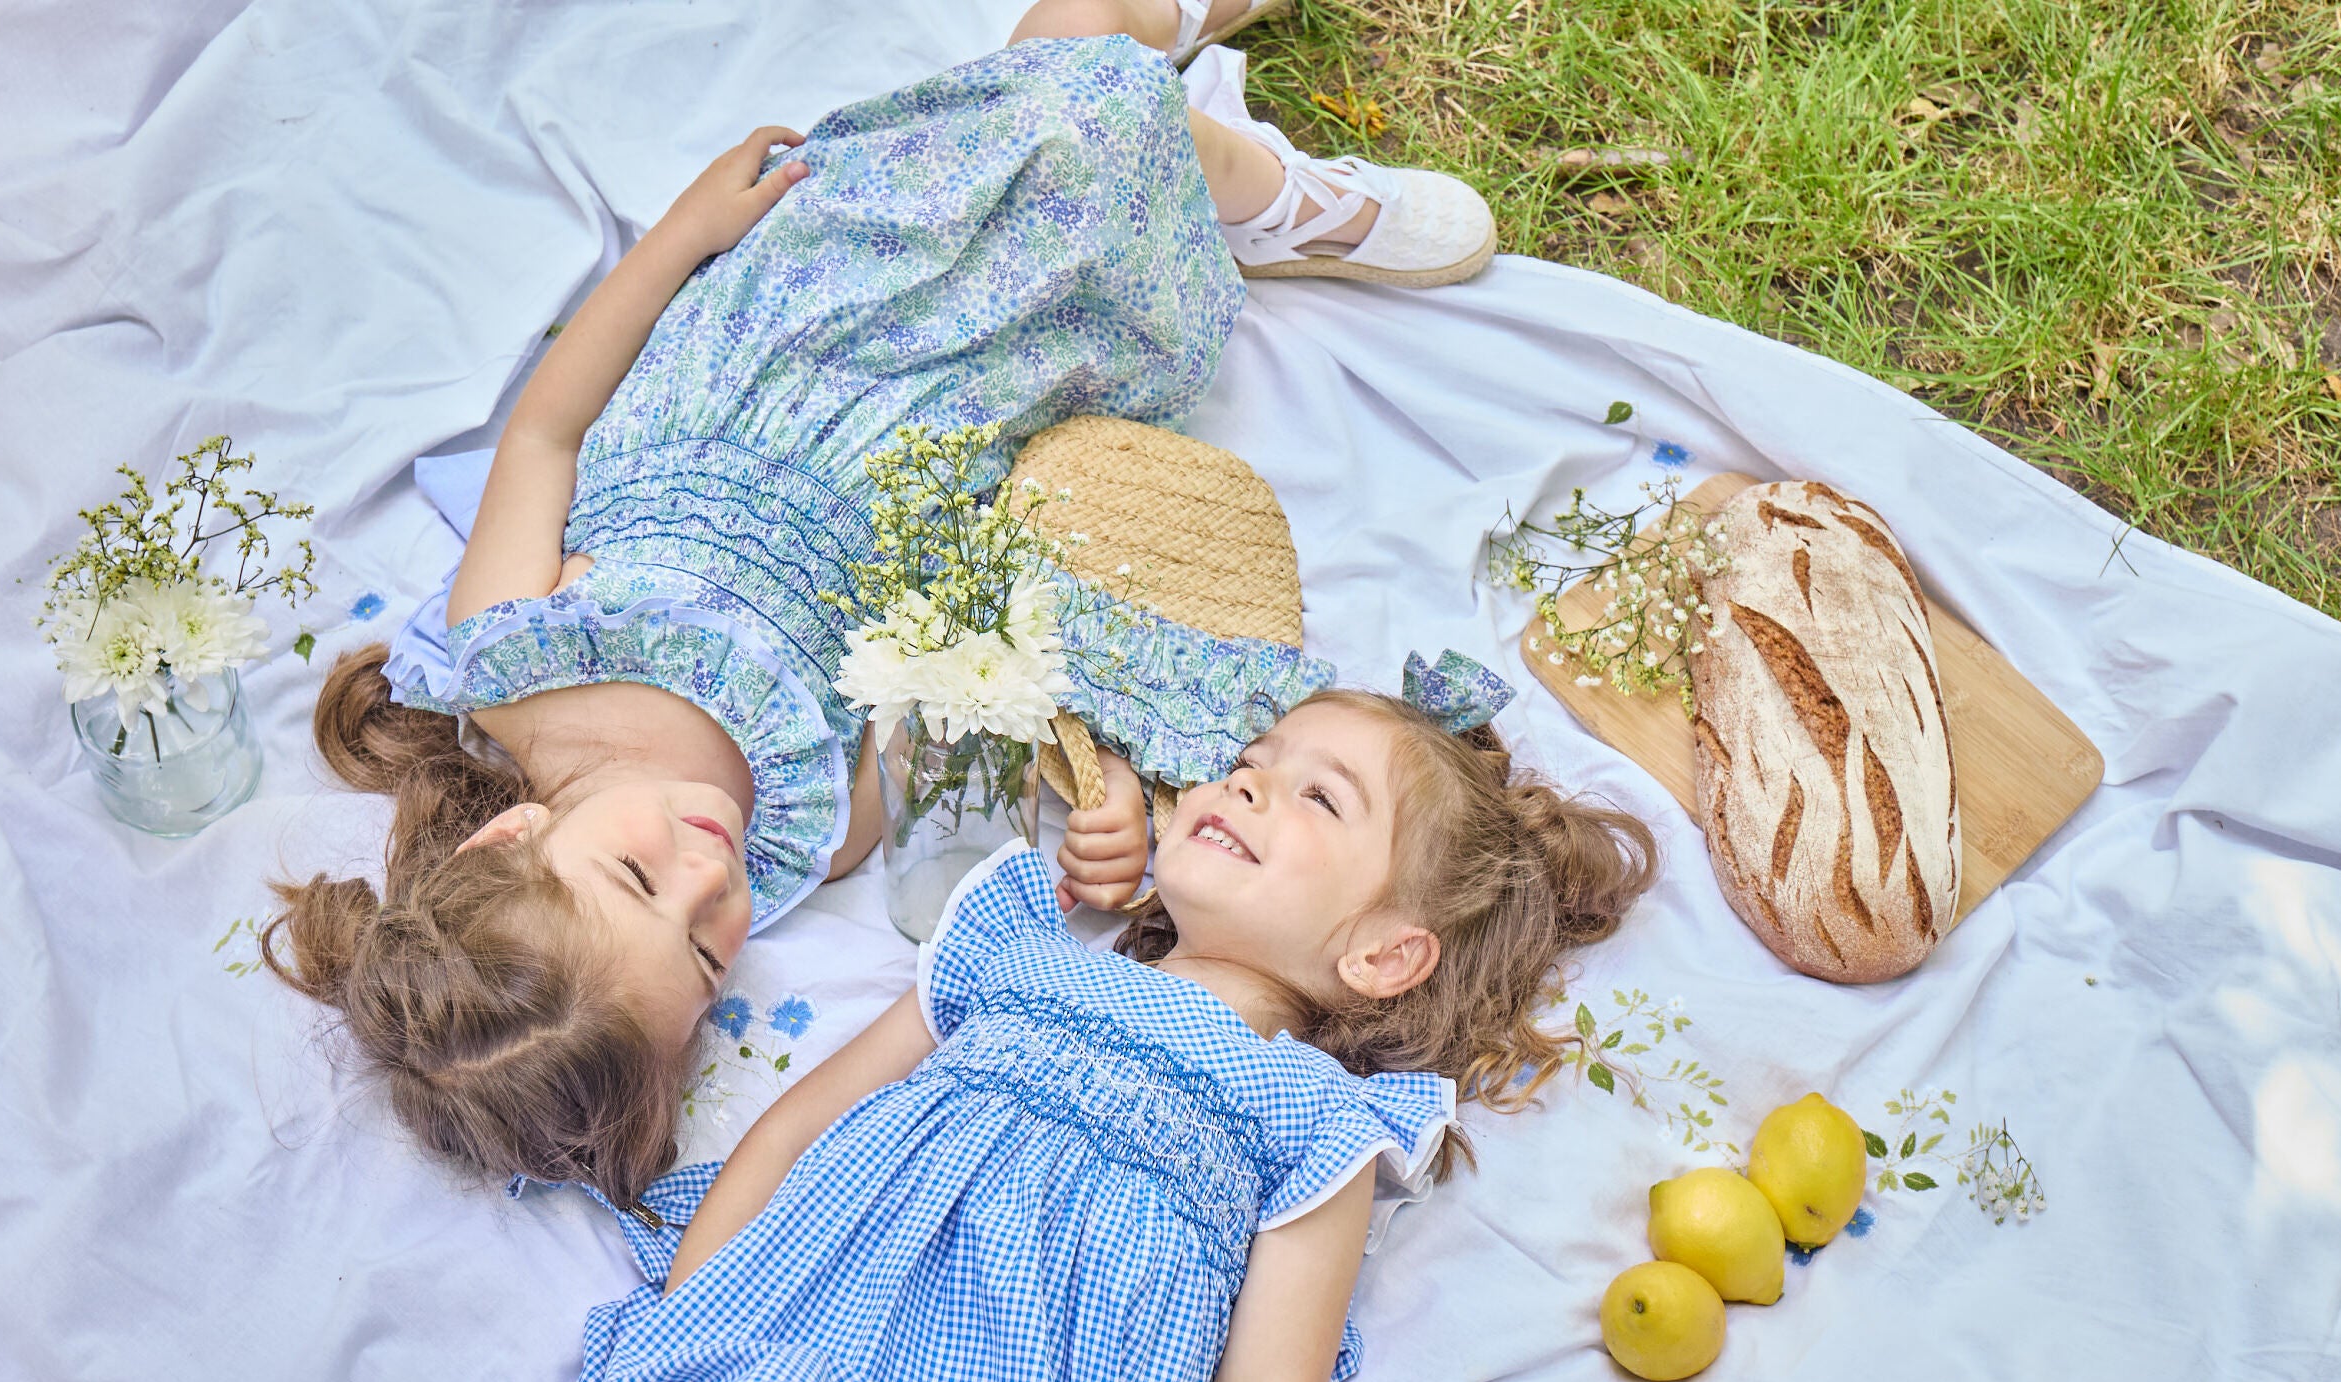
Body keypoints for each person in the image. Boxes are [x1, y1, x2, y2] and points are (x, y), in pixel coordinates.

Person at [263, 0, 1500, 1210]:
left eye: (640, 879)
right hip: (942, 417)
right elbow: (960, 695)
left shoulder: (517, 661)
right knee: (1092, 96)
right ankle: (1259, 192)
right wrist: (1099, 792)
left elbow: (545, 429)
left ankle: (1212, 130)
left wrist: (686, 234)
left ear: (508, 838)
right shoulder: (808, 824)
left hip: (780, 323)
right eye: (709, 948)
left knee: (1074, 65)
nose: (709, 876)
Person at [469, 689, 1658, 1382]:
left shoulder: (1315, 1123)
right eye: (1251, 763)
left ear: (1383, 956)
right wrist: (695, 1308)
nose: (1246, 786)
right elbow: (800, 1123)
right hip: (810, 1353)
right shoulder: (1012, 948)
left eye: (1317, 798)